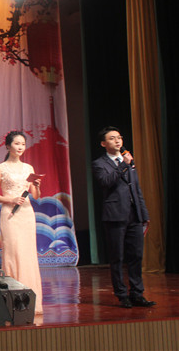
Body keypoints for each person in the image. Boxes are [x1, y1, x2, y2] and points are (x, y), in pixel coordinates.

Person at [92, 126, 154, 308]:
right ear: (103, 143)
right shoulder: (99, 163)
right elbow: (106, 182)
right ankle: (121, 294)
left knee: (136, 255)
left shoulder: (128, 160)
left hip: (134, 215)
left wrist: (144, 213)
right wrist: (123, 165)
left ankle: (137, 293)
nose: (117, 140)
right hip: (115, 215)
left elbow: (136, 189)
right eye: (112, 138)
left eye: (119, 137)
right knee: (117, 257)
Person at [0, 130, 43, 314]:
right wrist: (10, 199)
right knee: (13, 253)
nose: (20, 147)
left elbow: (36, 196)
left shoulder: (29, 168)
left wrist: (37, 187)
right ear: (7, 146)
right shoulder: (1, 168)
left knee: (27, 255)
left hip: (27, 213)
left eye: (23, 144)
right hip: (10, 213)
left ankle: (30, 300)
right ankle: (13, 300)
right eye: (17, 143)